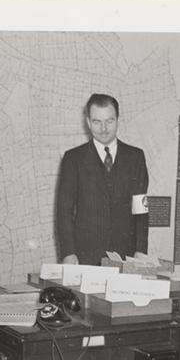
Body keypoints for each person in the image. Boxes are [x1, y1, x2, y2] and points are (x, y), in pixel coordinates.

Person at [56, 93, 149, 265]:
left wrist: (141, 250)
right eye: (97, 122)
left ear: (118, 120)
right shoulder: (73, 159)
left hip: (126, 257)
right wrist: (68, 253)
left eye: (109, 121)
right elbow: (64, 212)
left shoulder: (136, 157)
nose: (103, 129)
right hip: (85, 257)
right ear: (88, 122)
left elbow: (141, 210)